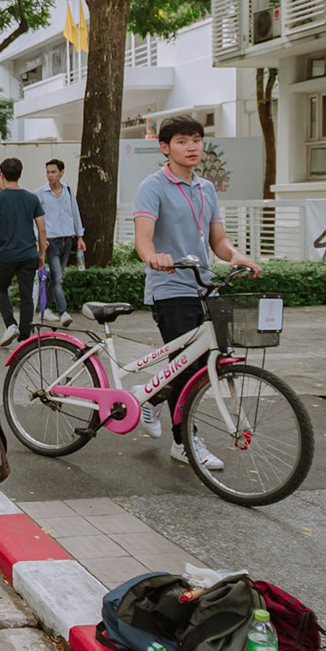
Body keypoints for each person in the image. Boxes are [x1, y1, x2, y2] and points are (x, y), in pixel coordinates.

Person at [134, 115, 259, 470]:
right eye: (182, 141)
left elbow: (218, 240)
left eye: (196, 140)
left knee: (212, 361)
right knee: (188, 368)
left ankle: (153, 398)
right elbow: (143, 238)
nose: (191, 147)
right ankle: (184, 442)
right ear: (165, 147)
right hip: (171, 287)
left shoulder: (206, 189)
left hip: (204, 286)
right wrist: (153, 257)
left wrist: (236, 256)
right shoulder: (153, 186)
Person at [0, 157, 45, 347]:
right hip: (29, 254)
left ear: (2, 175)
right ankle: (25, 336)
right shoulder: (32, 198)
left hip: (6, 255)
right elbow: (42, 229)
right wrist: (41, 254)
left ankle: (10, 325)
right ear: (20, 174)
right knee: (26, 295)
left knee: (0, 289)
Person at [34, 158, 86, 326]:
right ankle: (63, 312)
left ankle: (46, 308)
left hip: (68, 239)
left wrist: (79, 236)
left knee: (57, 277)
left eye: (54, 172)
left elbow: (75, 213)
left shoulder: (68, 191)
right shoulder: (40, 194)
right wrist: (40, 239)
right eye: (48, 172)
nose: (50, 175)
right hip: (51, 241)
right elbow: (34, 218)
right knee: (58, 278)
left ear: (61, 172)